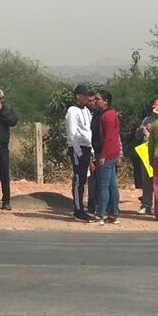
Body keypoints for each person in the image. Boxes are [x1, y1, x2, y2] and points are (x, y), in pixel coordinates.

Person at [65, 85, 94, 221]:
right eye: (85, 95)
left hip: (87, 146)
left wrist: (91, 149)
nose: (87, 98)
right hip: (78, 148)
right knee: (78, 179)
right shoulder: (72, 111)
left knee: (83, 179)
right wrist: (78, 152)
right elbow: (72, 133)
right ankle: (78, 209)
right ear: (78, 96)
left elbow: (89, 131)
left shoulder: (87, 111)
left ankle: (82, 207)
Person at [92, 90, 121, 225]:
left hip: (106, 154)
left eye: (98, 99)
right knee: (111, 185)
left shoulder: (107, 116)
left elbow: (109, 137)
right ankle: (114, 213)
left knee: (103, 186)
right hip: (110, 153)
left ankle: (100, 215)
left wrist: (103, 156)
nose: (95, 101)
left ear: (106, 101)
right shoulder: (104, 114)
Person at [133, 100, 158, 215]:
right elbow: (138, 136)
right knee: (146, 180)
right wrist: (140, 130)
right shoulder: (147, 119)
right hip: (146, 150)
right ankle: (146, 205)